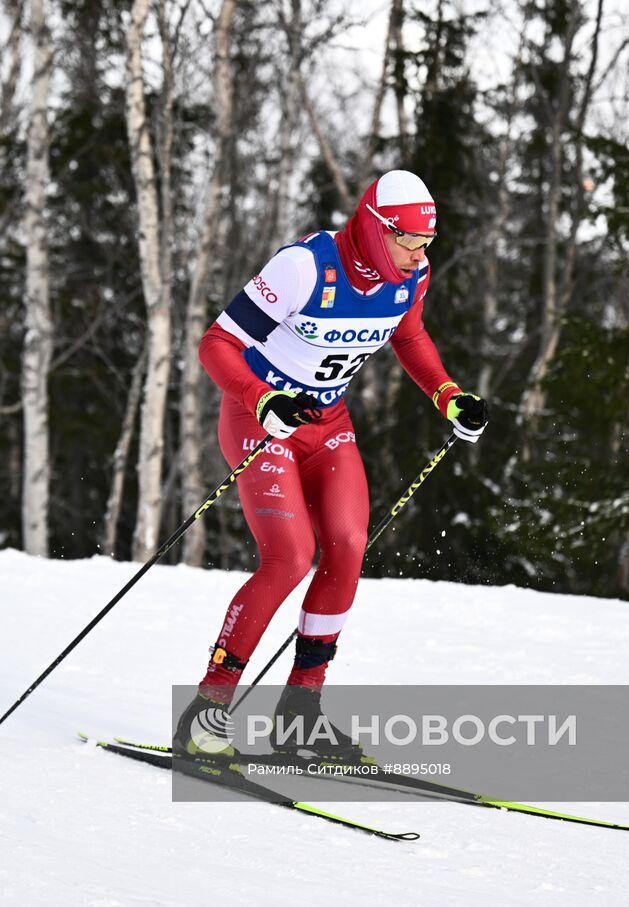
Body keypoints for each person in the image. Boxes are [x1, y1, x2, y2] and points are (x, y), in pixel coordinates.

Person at [174, 169, 490, 759]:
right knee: (291, 556)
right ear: (375, 229)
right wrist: (261, 399)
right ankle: (207, 711)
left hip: (328, 426)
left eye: (427, 242)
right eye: (408, 240)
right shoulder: (304, 267)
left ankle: (300, 716)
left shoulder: (411, 276)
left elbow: (410, 338)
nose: (419, 254)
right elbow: (216, 343)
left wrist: (450, 396)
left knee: (347, 544)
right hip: (262, 420)